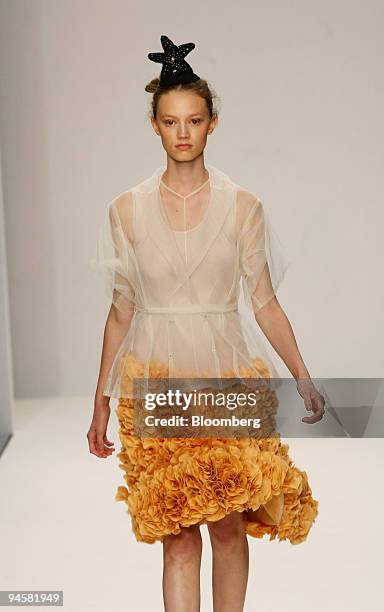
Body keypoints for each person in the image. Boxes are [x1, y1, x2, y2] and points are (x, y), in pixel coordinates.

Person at [87, 35, 325, 612]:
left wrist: (301, 375)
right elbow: (121, 309)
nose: (184, 132)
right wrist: (101, 397)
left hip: (228, 373)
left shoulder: (243, 206)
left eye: (194, 120)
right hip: (157, 376)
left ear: (212, 123)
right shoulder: (126, 209)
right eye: (171, 122)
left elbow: (264, 301)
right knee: (176, 531)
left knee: (227, 525)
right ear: (155, 126)